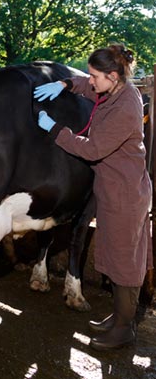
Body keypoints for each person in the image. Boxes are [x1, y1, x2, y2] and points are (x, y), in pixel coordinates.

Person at [33, 43, 153, 351]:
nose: (92, 81)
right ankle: (118, 317)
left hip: (125, 194)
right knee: (116, 256)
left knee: (125, 262)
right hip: (116, 189)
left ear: (112, 76)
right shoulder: (117, 89)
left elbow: (93, 149)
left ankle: (125, 329)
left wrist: (54, 129)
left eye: (95, 75)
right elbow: (89, 87)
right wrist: (64, 83)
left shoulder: (126, 107)